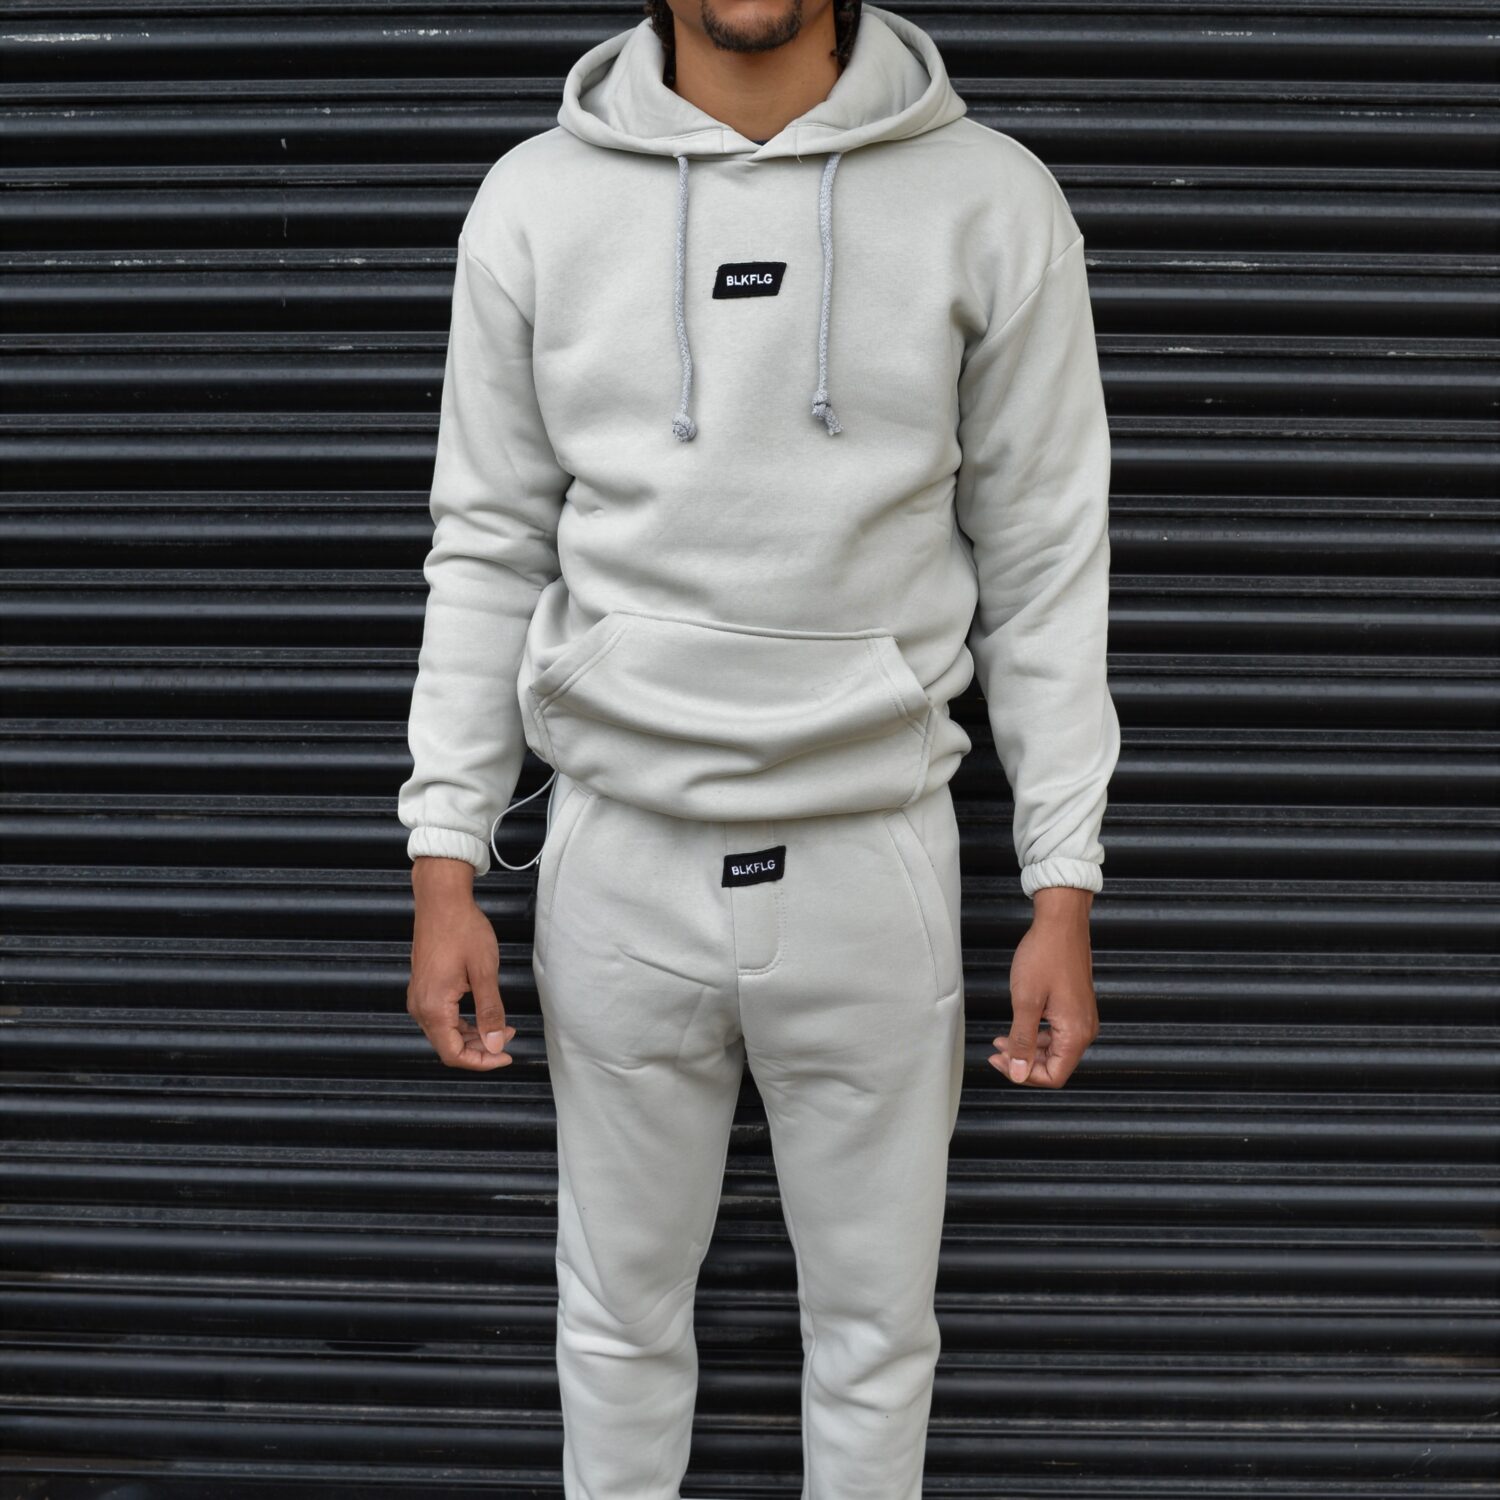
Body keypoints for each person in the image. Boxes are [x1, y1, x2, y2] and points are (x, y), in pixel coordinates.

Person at [399, 0, 1120, 1493]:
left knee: (876, 1336)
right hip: (617, 852)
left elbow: (1047, 555)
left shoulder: (989, 197)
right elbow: (486, 542)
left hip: (875, 857)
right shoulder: (537, 198)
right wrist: (445, 855)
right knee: (614, 1322)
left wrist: (1063, 879)